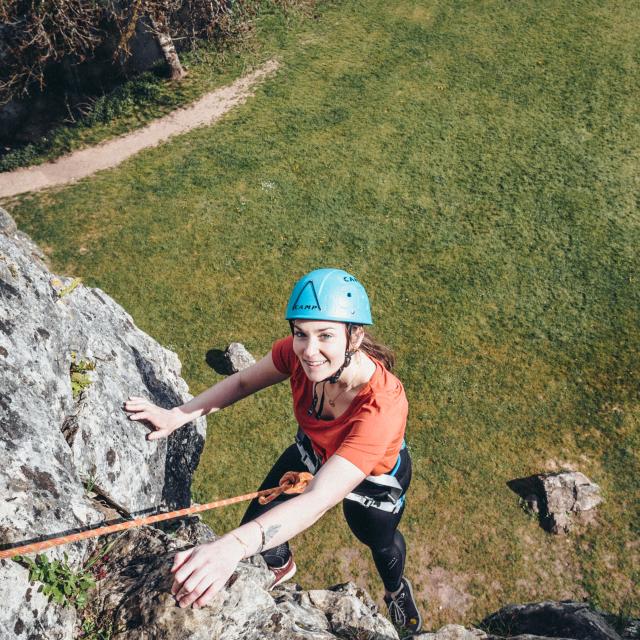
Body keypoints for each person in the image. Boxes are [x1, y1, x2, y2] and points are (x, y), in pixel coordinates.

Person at [124, 268, 423, 635]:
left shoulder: (382, 405)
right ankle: (279, 562)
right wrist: (176, 416)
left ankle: (395, 590)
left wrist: (231, 548)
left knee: (379, 540)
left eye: (325, 336)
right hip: (314, 452)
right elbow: (244, 381)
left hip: (374, 484)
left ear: (355, 336)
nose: (309, 352)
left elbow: (319, 498)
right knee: (257, 518)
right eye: (301, 334)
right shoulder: (297, 357)